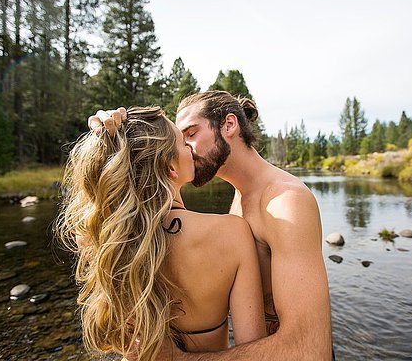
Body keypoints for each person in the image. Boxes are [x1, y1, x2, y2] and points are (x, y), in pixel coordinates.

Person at [89, 91, 333, 360]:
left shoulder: (286, 203)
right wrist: (114, 142)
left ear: (229, 125)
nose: (186, 148)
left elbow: (310, 351)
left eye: (191, 134)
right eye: (181, 141)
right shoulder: (241, 196)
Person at [56, 106, 266, 361]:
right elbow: (255, 349)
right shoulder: (232, 233)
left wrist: (110, 141)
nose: (190, 147)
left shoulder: (107, 238)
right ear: (171, 169)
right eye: (182, 143)